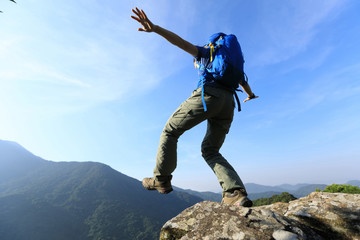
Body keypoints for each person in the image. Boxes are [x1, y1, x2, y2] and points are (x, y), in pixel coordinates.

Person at [131, 7, 258, 207]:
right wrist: (250, 95)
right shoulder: (232, 66)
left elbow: (180, 42)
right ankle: (234, 192)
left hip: (209, 95)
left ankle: (161, 179)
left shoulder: (206, 53)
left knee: (170, 131)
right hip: (228, 104)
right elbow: (243, 83)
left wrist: (155, 28)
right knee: (210, 149)